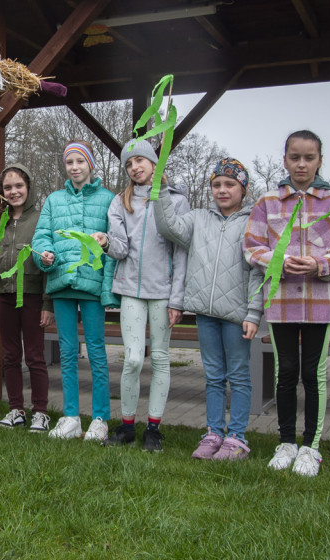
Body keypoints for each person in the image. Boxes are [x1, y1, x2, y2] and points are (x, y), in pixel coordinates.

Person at [244, 130, 330, 477]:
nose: (301, 164)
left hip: (321, 301)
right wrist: (277, 260)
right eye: (295, 157)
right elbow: (251, 245)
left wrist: (319, 264)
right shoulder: (267, 203)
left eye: (309, 157)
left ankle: (311, 446)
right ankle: (287, 441)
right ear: (285, 159)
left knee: (313, 373)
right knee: (286, 370)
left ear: (320, 160)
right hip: (282, 301)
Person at [154, 157, 263, 460]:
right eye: (216, 184)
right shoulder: (198, 217)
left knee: (239, 375)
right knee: (214, 376)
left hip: (238, 316)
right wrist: (161, 191)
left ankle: (237, 437)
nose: (222, 190)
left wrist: (254, 313)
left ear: (243, 188)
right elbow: (170, 228)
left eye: (230, 184)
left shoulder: (254, 222)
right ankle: (214, 432)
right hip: (205, 312)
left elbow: (258, 272)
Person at [31, 140, 118, 441]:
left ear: (91, 165)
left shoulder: (109, 199)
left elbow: (117, 239)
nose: (75, 167)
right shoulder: (54, 200)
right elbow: (42, 235)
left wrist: (106, 239)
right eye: (69, 163)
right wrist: (43, 255)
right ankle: (70, 416)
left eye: (80, 161)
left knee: (96, 352)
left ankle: (100, 418)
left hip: (92, 287)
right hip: (62, 284)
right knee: (67, 352)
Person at [104, 140, 188, 451]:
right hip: (130, 290)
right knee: (134, 359)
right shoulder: (119, 202)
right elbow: (121, 247)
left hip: (163, 293)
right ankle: (127, 428)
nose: (135, 167)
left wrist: (177, 299)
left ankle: (153, 430)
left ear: (154, 163)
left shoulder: (176, 201)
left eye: (140, 160)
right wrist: (104, 242)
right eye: (129, 163)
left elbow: (181, 252)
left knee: (161, 359)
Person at [0, 163, 53, 432]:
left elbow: (48, 263)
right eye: (8, 188)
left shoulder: (42, 219)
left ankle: (41, 412)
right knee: (10, 355)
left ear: (29, 187)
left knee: (34, 355)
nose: (13, 192)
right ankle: (15, 410)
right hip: (5, 295)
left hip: (32, 295)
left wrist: (47, 303)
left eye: (18, 186)